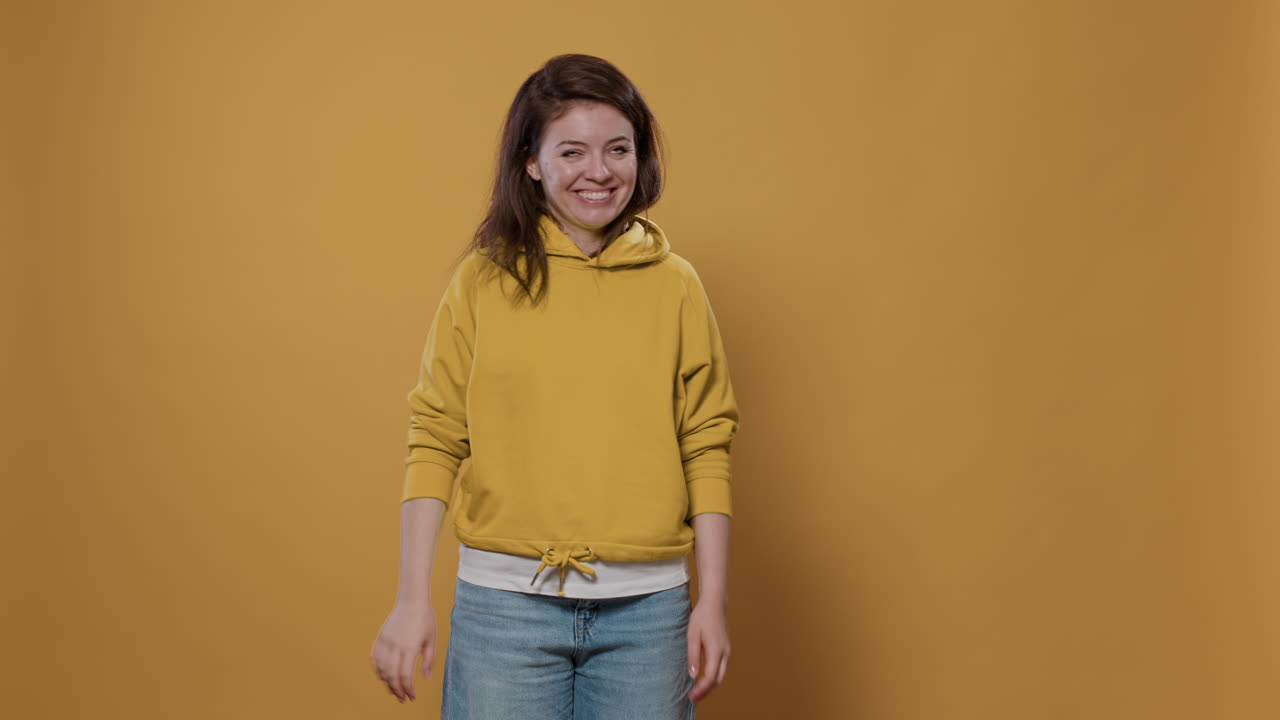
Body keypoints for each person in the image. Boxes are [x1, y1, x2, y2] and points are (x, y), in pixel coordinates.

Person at [370, 53, 741, 719]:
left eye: (618, 149)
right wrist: (410, 598)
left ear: (640, 158)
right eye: (572, 151)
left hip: (649, 617)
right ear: (531, 162)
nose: (598, 172)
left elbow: (706, 442)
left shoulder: (677, 285)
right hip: (502, 612)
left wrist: (710, 601)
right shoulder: (482, 283)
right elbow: (435, 437)